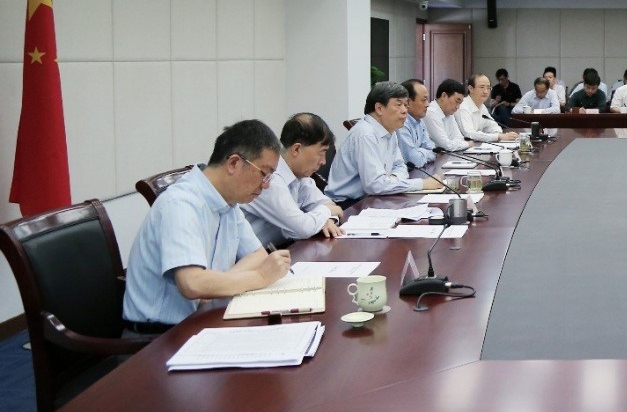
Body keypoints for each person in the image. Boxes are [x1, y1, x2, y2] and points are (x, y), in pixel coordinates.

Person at [122, 120, 293, 330]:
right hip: (159, 336)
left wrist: (214, 286)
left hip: (203, 319)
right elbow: (192, 283)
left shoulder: (228, 202)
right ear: (234, 163)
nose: (265, 185)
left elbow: (257, 254)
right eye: (264, 174)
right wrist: (260, 277)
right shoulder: (181, 204)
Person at [328, 82, 441, 205]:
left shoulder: (390, 130)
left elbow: (400, 167)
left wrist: (389, 181)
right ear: (379, 108)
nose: (405, 111)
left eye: (405, 105)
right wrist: (422, 184)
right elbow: (375, 185)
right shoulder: (365, 134)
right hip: (349, 204)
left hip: (375, 197)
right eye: (398, 105)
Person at [243, 113, 345, 249]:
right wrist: (326, 212)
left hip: (284, 248)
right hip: (256, 255)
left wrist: (328, 221)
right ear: (296, 149)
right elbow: (303, 228)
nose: (324, 161)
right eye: (321, 153)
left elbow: (328, 205)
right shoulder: (270, 178)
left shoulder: (301, 176)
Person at [458, 74, 518, 142]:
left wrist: (499, 134)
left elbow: (492, 126)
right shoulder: (463, 107)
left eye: (488, 88)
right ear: (471, 89)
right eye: (482, 87)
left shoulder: (482, 106)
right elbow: (469, 134)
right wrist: (498, 136)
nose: (486, 91)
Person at [424, 79, 474, 152]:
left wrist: (456, 144)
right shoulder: (431, 113)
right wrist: (468, 144)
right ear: (444, 96)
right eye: (457, 101)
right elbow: (446, 145)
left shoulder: (449, 112)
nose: (458, 107)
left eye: (460, 103)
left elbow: (459, 138)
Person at [397, 78, 436, 168]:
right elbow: (414, 161)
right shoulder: (401, 123)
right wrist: (423, 151)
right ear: (408, 102)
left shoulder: (419, 121)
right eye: (424, 100)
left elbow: (433, 151)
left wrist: (419, 151)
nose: (427, 104)